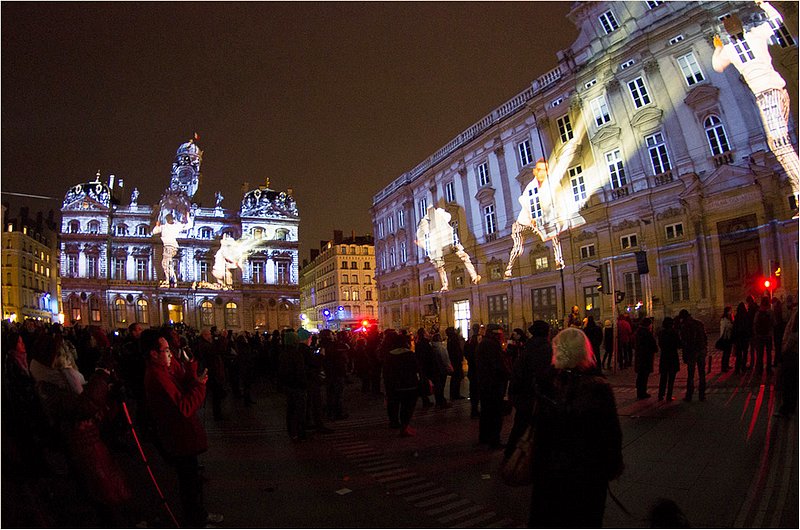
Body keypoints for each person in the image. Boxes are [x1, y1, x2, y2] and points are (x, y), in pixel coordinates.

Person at [529, 327, 623, 528]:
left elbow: (539, 433)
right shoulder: (597, 388)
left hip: (550, 475)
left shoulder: (546, 384)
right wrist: (611, 466)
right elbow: (611, 435)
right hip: (587, 476)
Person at [712, 3, 799, 200]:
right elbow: (777, 21)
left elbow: (717, 65)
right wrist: (765, 5)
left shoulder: (736, 45)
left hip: (768, 95)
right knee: (778, 141)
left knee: (779, 143)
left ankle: (799, 187)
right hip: (774, 92)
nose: (728, 24)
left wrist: (717, 48)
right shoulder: (752, 37)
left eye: (729, 21)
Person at [142, 329, 222, 528]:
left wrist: (192, 370)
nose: (170, 354)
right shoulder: (157, 376)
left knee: (192, 479)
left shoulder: (163, 369)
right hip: (179, 437)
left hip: (182, 435)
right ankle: (195, 520)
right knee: (189, 483)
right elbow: (184, 407)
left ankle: (198, 516)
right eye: (166, 350)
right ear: (153, 354)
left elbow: (183, 381)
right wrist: (201, 386)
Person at [505, 320, 551, 460]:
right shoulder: (545, 348)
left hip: (522, 393)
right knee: (535, 426)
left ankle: (510, 453)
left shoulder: (528, 346)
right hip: (534, 394)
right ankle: (527, 457)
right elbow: (544, 373)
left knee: (520, 425)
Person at [414, 206, 481, 291]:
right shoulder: (428, 221)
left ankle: (471, 277)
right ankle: (471, 277)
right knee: (456, 261)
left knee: (443, 266)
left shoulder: (435, 218)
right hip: (442, 246)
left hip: (443, 246)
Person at [476, 324, 510, 449]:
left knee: (486, 412)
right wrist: (507, 373)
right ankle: (494, 440)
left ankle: (484, 437)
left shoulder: (485, 343)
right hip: (493, 384)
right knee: (495, 413)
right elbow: (498, 365)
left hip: (485, 383)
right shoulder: (491, 345)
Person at [382, 329, 420, 437]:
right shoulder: (409, 354)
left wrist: (387, 386)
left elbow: (386, 372)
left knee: (394, 404)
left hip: (394, 386)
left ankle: (394, 422)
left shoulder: (389, 356)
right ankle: (405, 426)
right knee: (407, 407)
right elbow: (416, 368)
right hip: (409, 385)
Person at [278, 330, 307, 442]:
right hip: (297, 386)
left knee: (290, 410)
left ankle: (292, 432)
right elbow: (300, 372)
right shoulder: (296, 354)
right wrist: (304, 384)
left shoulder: (283, 354)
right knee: (300, 411)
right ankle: (300, 434)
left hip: (288, 386)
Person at [678, 309, 708, 402]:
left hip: (692, 352)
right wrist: (704, 347)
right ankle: (702, 395)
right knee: (702, 373)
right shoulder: (699, 323)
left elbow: (684, 342)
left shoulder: (685, 326)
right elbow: (705, 337)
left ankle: (689, 395)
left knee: (691, 374)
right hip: (701, 350)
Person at [152, 213, 189, 287]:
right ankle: (171, 279)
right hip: (170, 246)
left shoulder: (169, 226)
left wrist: (157, 225)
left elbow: (154, 231)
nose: (171, 220)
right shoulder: (171, 226)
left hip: (169, 246)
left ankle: (170, 280)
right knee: (166, 263)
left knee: (166, 263)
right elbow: (186, 225)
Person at [657, 317, 681, 401]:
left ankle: (660, 395)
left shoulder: (661, 333)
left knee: (663, 377)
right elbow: (679, 344)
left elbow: (660, 344)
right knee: (671, 377)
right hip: (672, 356)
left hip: (664, 356)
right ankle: (669, 395)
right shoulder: (674, 333)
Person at [634, 317, 657, 400]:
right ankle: (642, 392)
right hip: (646, 357)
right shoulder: (647, 333)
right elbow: (653, 345)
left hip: (640, 357)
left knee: (641, 375)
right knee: (644, 376)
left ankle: (640, 392)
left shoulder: (638, 332)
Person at [752, 296, 775, 375]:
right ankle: (769, 370)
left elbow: (754, 324)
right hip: (768, 336)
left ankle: (759, 370)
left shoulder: (758, 312)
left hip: (759, 336)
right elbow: (774, 323)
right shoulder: (770, 312)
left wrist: (756, 333)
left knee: (760, 354)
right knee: (769, 354)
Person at [464, 323, 482, 418]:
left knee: (473, 389)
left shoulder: (469, 340)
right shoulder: (480, 340)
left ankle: (474, 409)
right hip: (479, 369)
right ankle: (477, 410)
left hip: (472, 368)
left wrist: (470, 360)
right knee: (479, 390)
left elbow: (465, 352)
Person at [430, 332, 451, 408]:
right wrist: (448, 367)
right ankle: (441, 402)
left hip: (434, 369)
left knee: (437, 386)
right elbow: (445, 359)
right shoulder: (441, 348)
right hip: (442, 369)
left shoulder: (432, 347)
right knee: (441, 386)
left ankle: (438, 401)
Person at [445, 327, 465, 400]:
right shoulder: (454, 339)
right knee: (457, 378)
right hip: (456, 361)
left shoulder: (450, 339)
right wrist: (460, 357)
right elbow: (457, 350)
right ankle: (455, 394)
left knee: (455, 378)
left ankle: (454, 394)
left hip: (453, 360)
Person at [732, 302, 750, 374]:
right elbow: (748, 326)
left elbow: (734, 328)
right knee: (745, 353)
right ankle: (743, 367)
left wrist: (734, 338)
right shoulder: (746, 315)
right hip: (745, 337)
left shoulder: (737, 316)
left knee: (739, 354)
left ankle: (737, 368)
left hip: (738, 338)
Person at [719, 306, 734, 372]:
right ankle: (723, 367)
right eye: (730, 311)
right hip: (725, 338)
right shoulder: (724, 319)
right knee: (725, 353)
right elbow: (729, 326)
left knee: (728, 353)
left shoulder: (728, 319)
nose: (731, 312)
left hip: (729, 338)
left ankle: (726, 365)